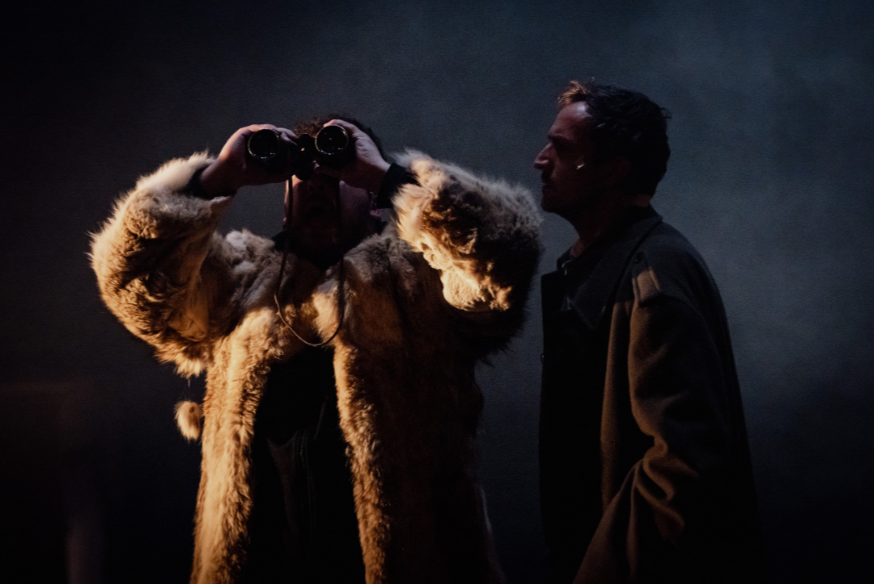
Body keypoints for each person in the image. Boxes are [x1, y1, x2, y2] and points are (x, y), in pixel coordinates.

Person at [91, 115, 540, 583]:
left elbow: (502, 256)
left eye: (338, 171)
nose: (317, 183)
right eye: (302, 173)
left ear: (376, 205)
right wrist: (216, 179)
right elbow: (134, 286)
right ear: (285, 202)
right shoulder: (237, 282)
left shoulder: (421, 280)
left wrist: (389, 179)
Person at [534, 81, 766, 583]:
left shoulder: (654, 279)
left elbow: (682, 468)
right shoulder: (606, 267)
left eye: (562, 148)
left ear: (614, 170)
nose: (540, 159)